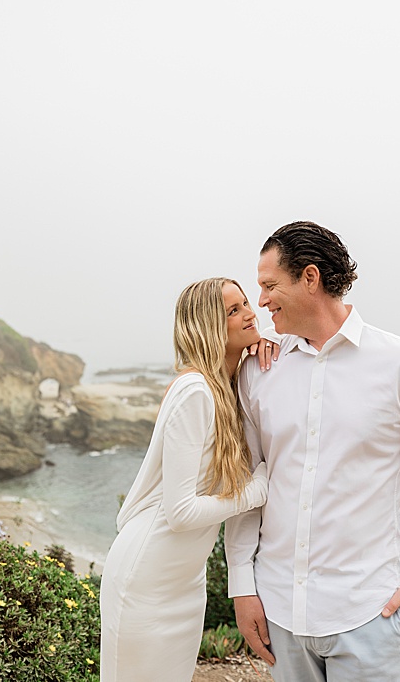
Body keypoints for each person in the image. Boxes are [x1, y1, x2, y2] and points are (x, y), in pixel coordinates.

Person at [225, 221, 400, 681]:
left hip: (371, 614)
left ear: (309, 277)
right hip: (280, 612)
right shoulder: (259, 369)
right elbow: (249, 480)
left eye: (268, 286)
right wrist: (242, 585)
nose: (260, 301)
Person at [99, 277, 279, 681]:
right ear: (208, 326)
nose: (250, 313)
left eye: (245, 303)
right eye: (233, 311)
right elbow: (180, 512)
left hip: (186, 578)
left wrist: (267, 347)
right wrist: (257, 491)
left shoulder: (229, 388)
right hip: (147, 575)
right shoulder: (195, 391)